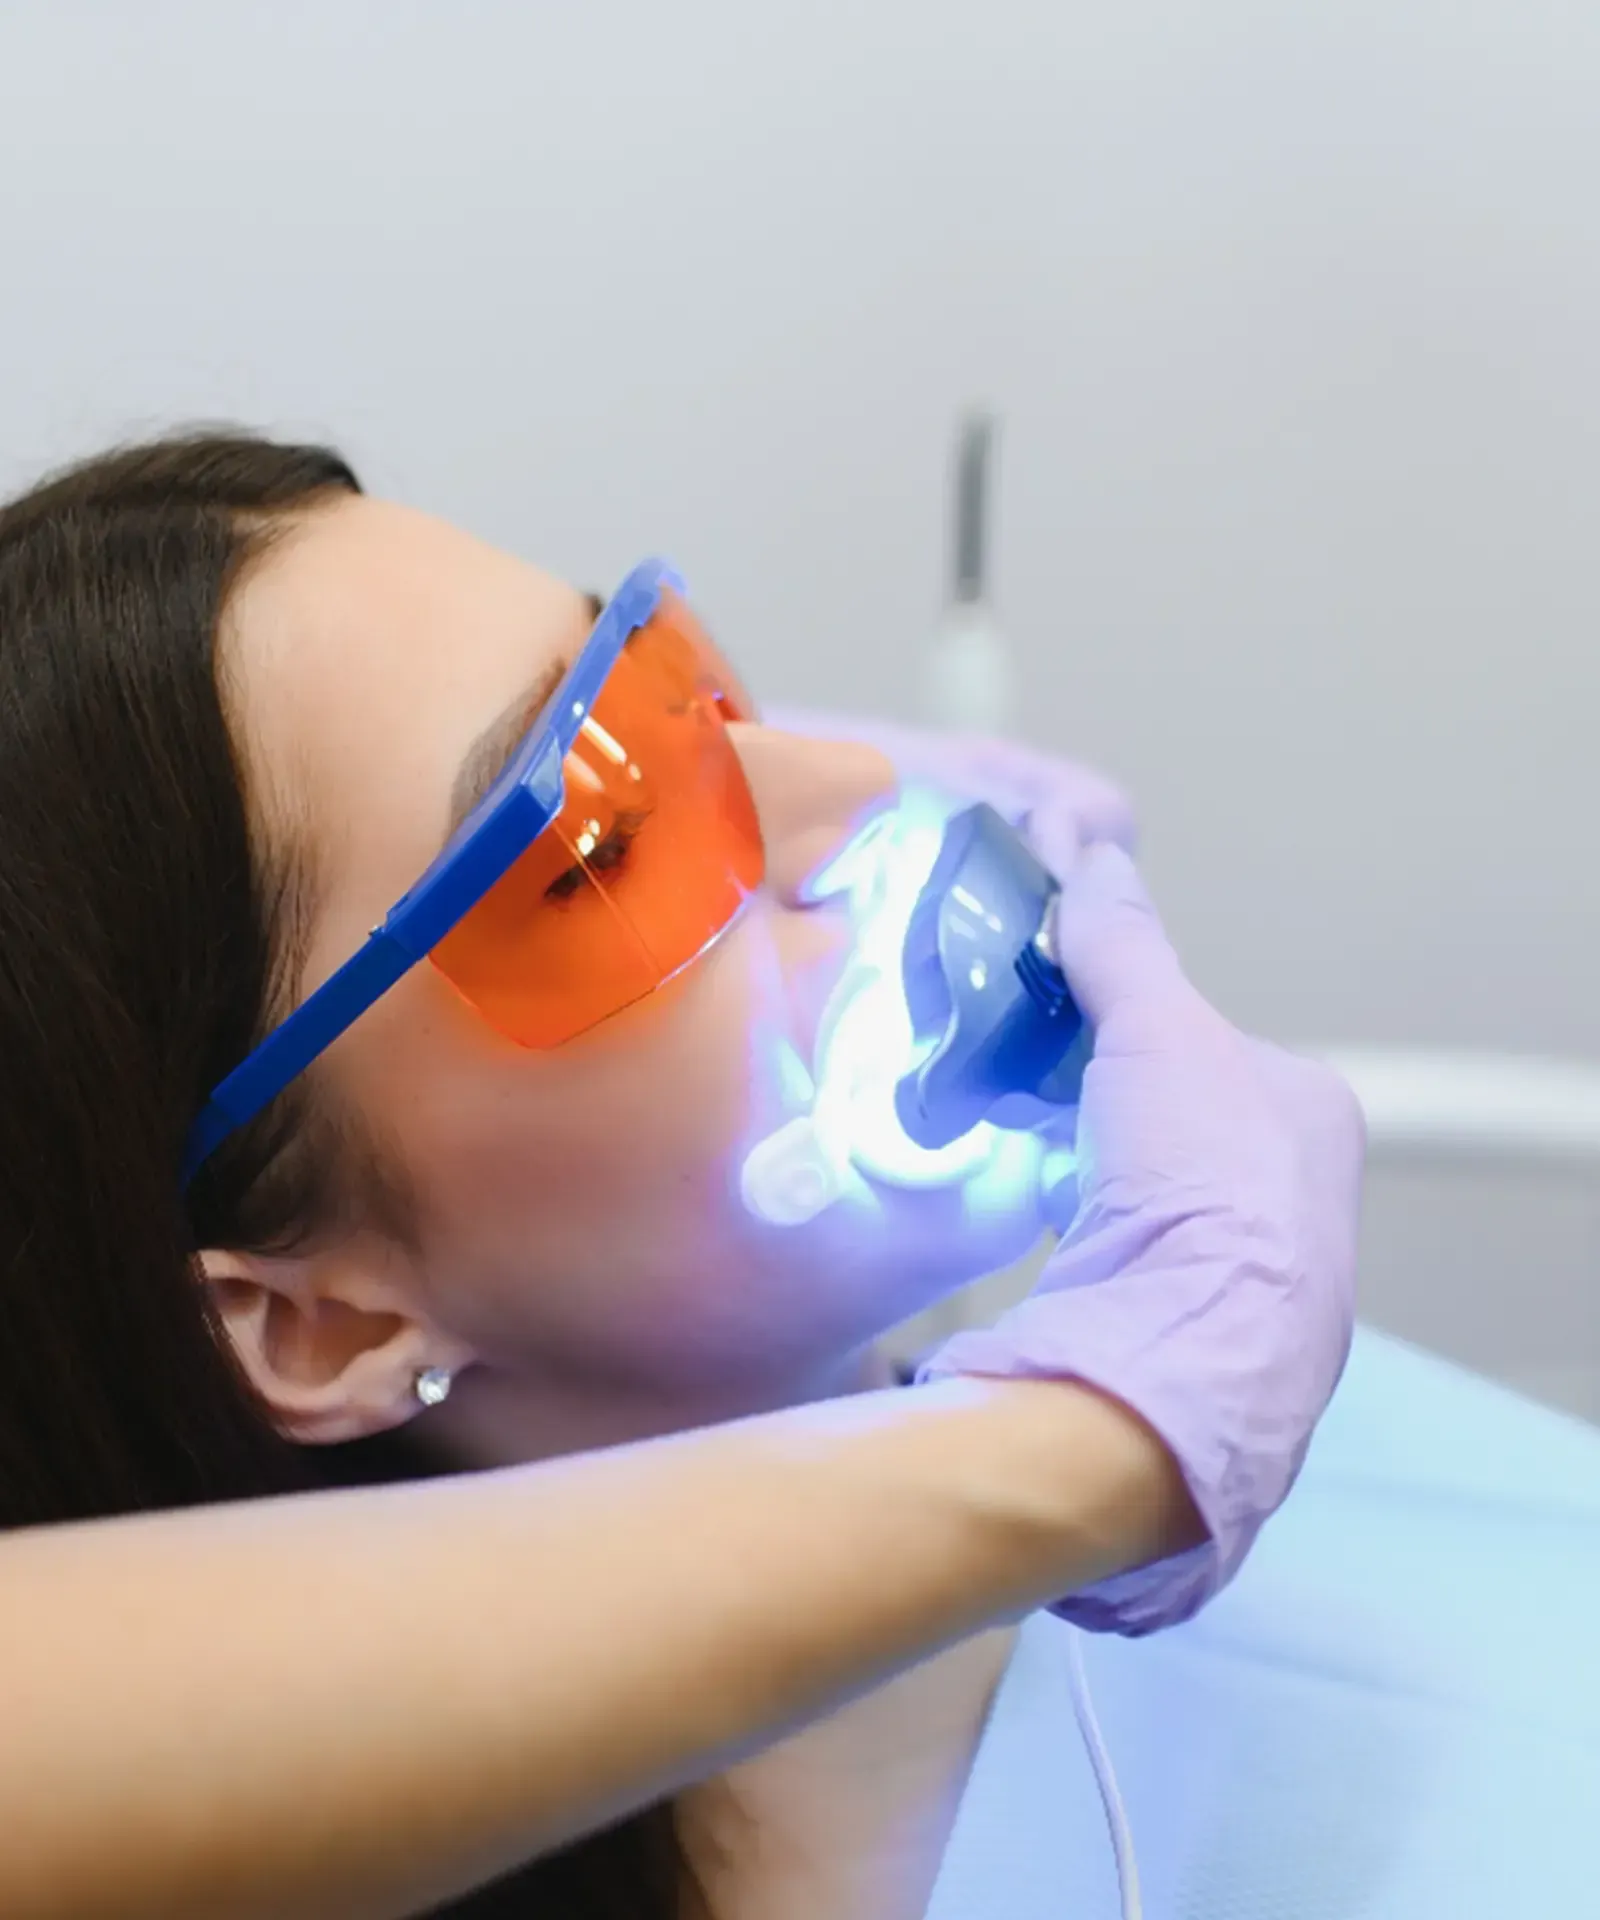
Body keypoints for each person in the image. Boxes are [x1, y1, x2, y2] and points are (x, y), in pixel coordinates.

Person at [2, 429, 1583, 1919]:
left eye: (686, 693)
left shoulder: (1370, 1459)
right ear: (319, 1322)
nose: (846, 800)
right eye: (596, 847)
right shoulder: (1165, 1428)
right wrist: (1113, 1440)